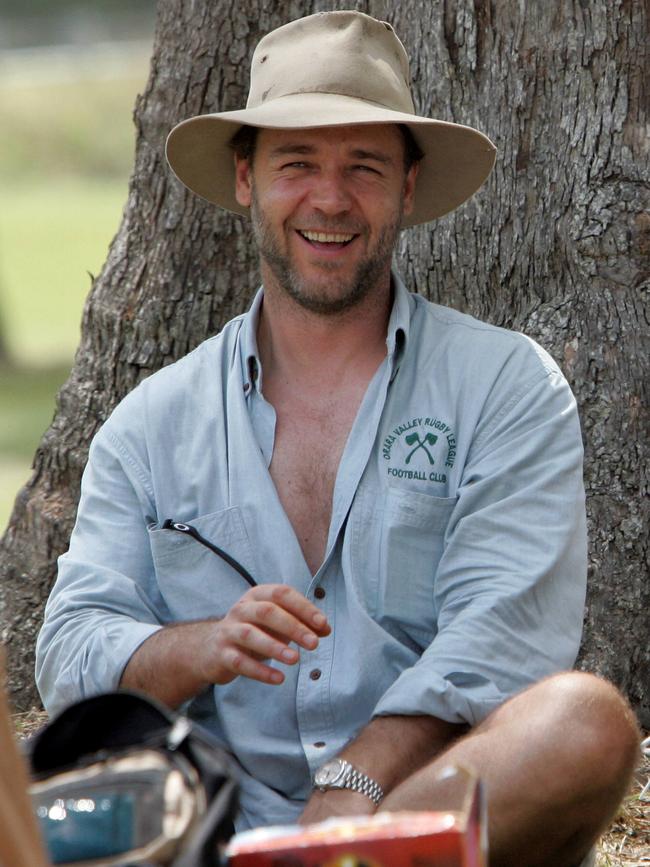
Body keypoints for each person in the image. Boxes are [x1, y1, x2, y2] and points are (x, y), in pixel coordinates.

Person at [35, 11, 639, 867]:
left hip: (410, 814)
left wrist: (354, 784)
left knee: (585, 719)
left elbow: (504, 636)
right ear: (246, 179)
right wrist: (195, 646)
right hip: (207, 823)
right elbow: (67, 651)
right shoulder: (149, 424)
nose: (330, 198)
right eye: (297, 165)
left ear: (408, 186)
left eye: (364, 166)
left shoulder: (505, 386)